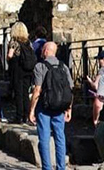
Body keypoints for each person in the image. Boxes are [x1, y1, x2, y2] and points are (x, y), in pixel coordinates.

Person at [28, 41, 73, 170]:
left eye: (43, 49)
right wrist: (69, 108)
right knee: (60, 137)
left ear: (46, 51)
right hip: (60, 107)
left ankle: (47, 167)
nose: (42, 51)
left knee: (44, 138)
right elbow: (69, 89)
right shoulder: (63, 66)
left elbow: (37, 90)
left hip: (44, 107)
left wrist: (31, 110)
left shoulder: (40, 67)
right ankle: (61, 167)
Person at [7, 21, 36, 124]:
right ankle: (26, 116)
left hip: (18, 70)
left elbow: (10, 55)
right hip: (28, 70)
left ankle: (18, 117)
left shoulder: (14, 41)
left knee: (18, 93)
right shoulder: (28, 42)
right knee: (25, 93)